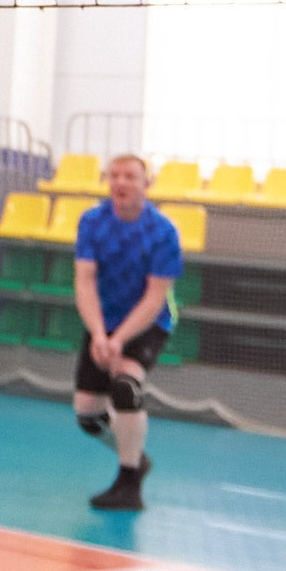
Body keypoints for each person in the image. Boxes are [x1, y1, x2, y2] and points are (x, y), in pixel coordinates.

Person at [70, 154, 181, 514]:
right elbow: (85, 281)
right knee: (88, 415)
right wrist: (100, 334)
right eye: (114, 175)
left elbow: (154, 297)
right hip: (104, 319)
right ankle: (134, 456)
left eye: (130, 176)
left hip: (148, 321)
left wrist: (119, 342)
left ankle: (128, 482)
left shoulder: (163, 232)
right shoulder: (92, 222)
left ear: (146, 184)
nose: (121, 182)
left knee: (125, 388)